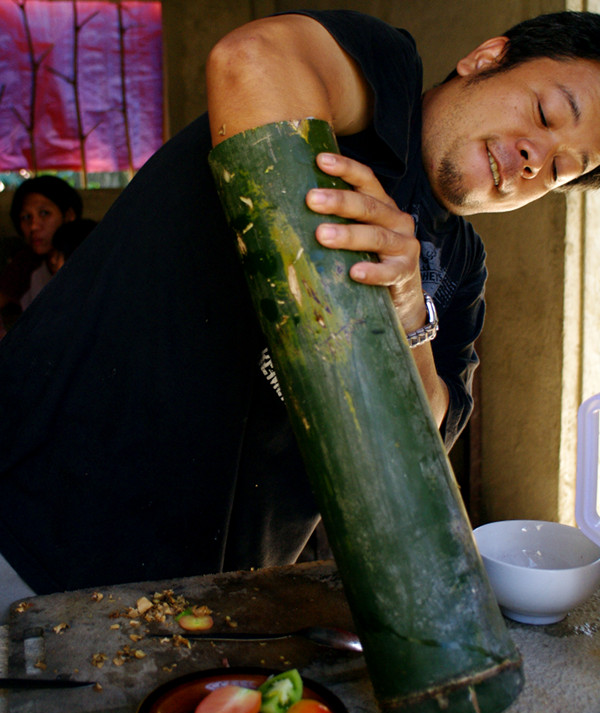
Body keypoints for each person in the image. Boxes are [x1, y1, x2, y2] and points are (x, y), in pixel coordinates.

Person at [0, 9, 599, 600]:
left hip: (218, 587)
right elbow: (252, 60)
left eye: (559, 169)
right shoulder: (382, 82)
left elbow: (424, 441)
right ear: (486, 59)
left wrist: (411, 314)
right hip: (40, 509)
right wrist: (342, 288)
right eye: (545, 114)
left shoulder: (462, 268)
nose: (533, 160)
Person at [0, 175, 82, 318]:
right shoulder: (25, 264)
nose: (34, 226)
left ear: (69, 215)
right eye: (26, 217)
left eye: (44, 213)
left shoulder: (88, 256)